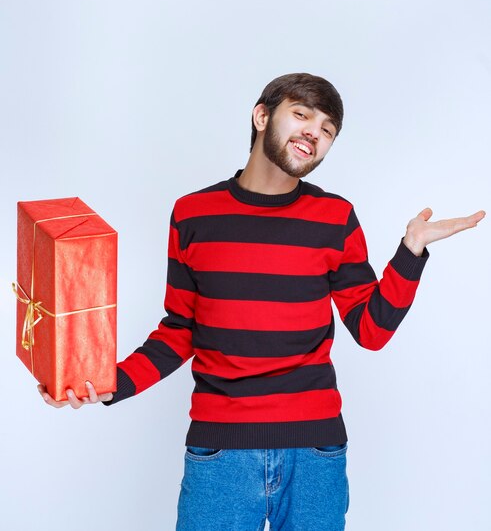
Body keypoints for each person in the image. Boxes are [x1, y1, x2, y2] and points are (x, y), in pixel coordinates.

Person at [39, 72, 486, 530]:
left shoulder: (335, 218)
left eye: (328, 129)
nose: (315, 131)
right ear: (261, 116)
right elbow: (179, 330)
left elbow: (371, 332)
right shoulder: (193, 214)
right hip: (219, 454)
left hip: (314, 455)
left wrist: (410, 252)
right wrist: (110, 381)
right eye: (302, 114)